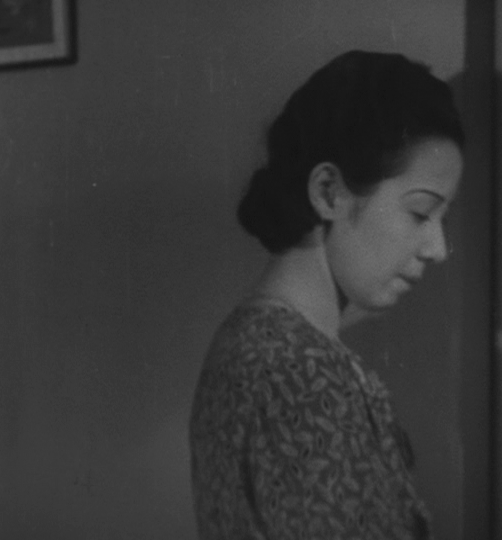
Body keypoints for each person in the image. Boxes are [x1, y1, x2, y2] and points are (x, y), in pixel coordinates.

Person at [189, 50, 464, 540]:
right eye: (421, 213)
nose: (438, 248)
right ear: (329, 192)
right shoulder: (303, 377)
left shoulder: (247, 342)